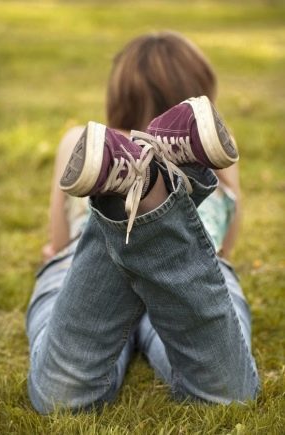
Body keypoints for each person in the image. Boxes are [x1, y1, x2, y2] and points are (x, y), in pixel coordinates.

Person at [26, 32, 259, 414]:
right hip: (191, 275)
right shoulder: (221, 153)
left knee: (61, 398)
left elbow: (60, 238)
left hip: (78, 272)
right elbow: (224, 246)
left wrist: (52, 252)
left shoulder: (84, 144)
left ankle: (129, 183)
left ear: (117, 95)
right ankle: (166, 179)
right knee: (224, 394)